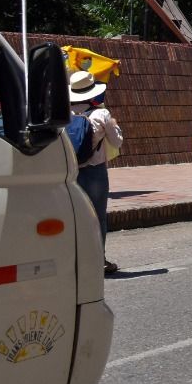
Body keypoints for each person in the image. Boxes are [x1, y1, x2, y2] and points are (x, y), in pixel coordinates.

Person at [68, 70, 122, 274]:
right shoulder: (101, 114)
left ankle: (76, 261)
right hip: (95, 172)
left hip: (69, 170)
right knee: (97, 217)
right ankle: (98, 260)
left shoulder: (64, 113)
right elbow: (117, 142)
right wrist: (114, 126)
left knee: (74, 216)